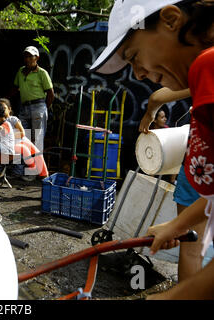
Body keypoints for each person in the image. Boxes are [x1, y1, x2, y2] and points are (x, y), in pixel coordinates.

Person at [90, 0, 214, 299]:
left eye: (134, 57)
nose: (138, 75)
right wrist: (177, 224)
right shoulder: (202, 80)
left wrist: (173, 297)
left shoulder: (207, 67)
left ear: (171, 20)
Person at [141, 87, 204, 283]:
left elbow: (156, 97)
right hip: (198, 173)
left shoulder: (206, 68)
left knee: (192, 252)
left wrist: (149, 115)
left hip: (197, 169)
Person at [11, 46, 54, 152]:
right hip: (24, 107)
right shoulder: (21, 71)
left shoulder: (42, 73)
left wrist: (44, 108)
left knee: (37, 140)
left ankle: (36, 167)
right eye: (26, 56)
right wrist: (5, 100)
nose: (28, 59)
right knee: (22, 137)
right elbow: (15, 88)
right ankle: (21, 166)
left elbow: (50, 93)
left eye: (31, 57)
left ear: (37, 58)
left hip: (38, 106)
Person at [0, 98, 49, 180]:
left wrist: (10, 136)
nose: (1, 110)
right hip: (13, 144)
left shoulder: (13, 119)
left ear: (9, 109)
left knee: (37, 153)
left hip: (21, 140)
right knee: (26, 152)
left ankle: (45, 175)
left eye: (4, 108)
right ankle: (33, 170)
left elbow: (22, 133)